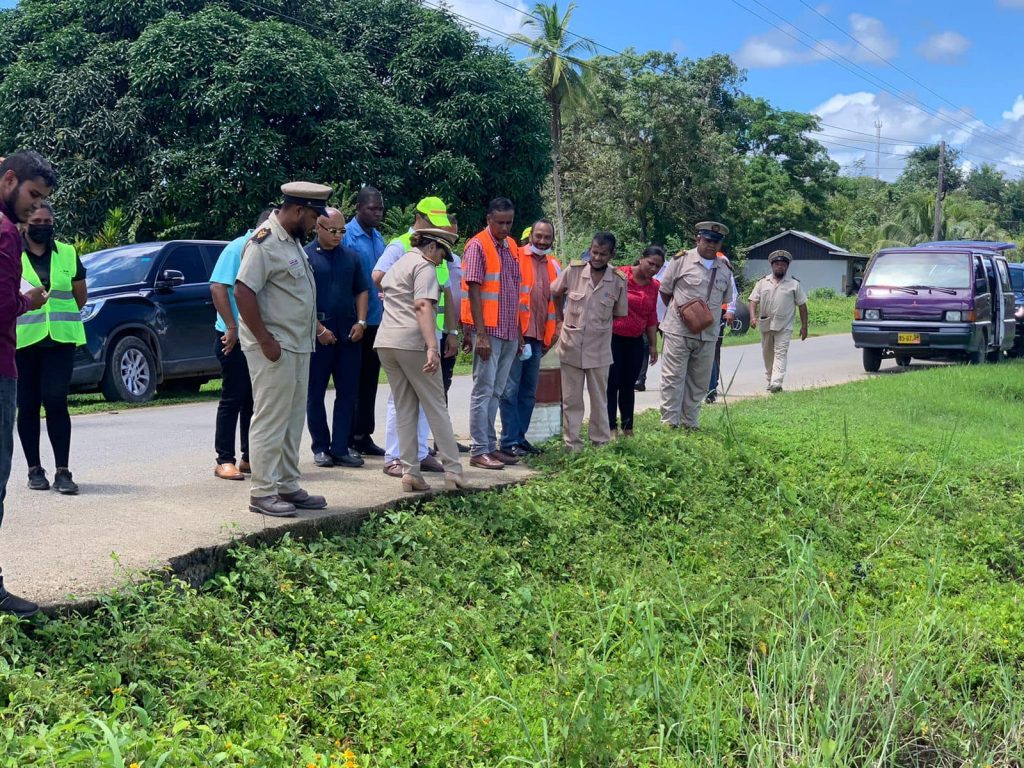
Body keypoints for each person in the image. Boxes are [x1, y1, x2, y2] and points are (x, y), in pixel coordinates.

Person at [235, 182, 332, 518]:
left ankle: (287, 484)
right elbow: (243, 291)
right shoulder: (264, 241)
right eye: (314, 217)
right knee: (271, 418)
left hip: (297, 345)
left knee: (292, 420)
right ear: (298, 210)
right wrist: (265, 341)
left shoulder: (291, 241)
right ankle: (263, 492)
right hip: (274, 346)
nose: (315, 225)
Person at [0, 151, 57, 617]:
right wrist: (28, 302)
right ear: (10, 180)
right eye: (32, 195)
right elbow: (2, 306)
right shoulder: (5, 234)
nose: (34, 208)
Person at [374, 227, 467, 492]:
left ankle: (410, 473)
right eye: (442, 254)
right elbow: (423, 306)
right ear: (431, 247)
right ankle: (454, 470)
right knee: (436, 405)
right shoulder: (424, 266)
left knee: (405, 407)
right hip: (412, 342)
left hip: (386, 342)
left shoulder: (400, 263)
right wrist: (432, 347)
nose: (441, 261)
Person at [16, 202, 86, 495]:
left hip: (60, 339)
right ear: (25, 224)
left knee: (56, 400)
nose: (42, 226)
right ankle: (34, 469)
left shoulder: (67, 253)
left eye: (47, 221)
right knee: (28, 404)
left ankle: (63, 471)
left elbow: (79, 295)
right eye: (37, 221)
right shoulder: (10, 253)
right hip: (22, 341)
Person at [550, 232, 628, 452]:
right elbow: (555, 291)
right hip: (571, 345)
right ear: (590, 249)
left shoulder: (618, 280)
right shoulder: (574, 271)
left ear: (612, 254)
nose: (597, 257)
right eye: (594, 252)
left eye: (603, 254)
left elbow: (619, 313)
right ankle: (572, 445)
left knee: (599, 399)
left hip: (599, 349)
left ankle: (600, 443)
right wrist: (559, 319)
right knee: (571, 400)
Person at [209, 208, 271, 481]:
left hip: (255, 336)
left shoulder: (265, 250)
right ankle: (224, 460)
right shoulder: (238, 247)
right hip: (232, 337)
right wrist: (231, 326)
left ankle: (249, 456)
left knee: (252, 399)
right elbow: (217, 287)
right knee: (233, 398)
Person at [461, 197, 523, 469]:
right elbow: (473, 290)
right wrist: (480, 334)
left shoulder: (511, 246)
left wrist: (519, 333)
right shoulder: (477, 245)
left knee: (497, 391)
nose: (505, 228)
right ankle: (479, 449)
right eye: (500, 222)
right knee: (483, 390)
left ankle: (489, 445)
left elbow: (514, 291)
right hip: (488, 331)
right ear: (489, 219)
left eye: (509, 222)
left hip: (508, 330)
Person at [306, 208, 369, 468]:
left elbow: (362, 290)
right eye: (332, 230)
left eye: (341, 231)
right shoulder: (305, 257)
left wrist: (361, 322)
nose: (337, 236)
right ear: (317, 227)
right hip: (317, 333)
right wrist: (318, 329)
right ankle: (321, 447)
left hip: (348, 333)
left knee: (347, 393)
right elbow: (300, 299)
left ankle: (341, 447)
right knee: (315, 393)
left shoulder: (351, 257)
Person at [658, 221, 734, 430]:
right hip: (678, 330)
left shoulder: (725, 268)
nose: (711, 245)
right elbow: (665, 291)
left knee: (699, 381)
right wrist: (683, 314)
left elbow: (725, 299)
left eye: (716, 242)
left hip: (708, 333)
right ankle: (669, 422)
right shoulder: (681, 261)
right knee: (673, 378)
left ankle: (689, 422)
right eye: (707, 240)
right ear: (698, 239)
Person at [498, 218, 561, 457]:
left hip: (538, 339)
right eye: (539, 236)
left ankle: (519, 438)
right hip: (517, 335)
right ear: (530, 236)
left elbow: (557, 302)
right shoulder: (516, 257)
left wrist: (552, 336)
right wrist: (516, 334)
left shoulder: (554, 264)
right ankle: (508, 441)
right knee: (510, 391)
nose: (542, 241)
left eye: (547, 237)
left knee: (528, 393)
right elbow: (509, 298)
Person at [342, 187, 387, 457]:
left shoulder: (379, 238)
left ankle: (363, 435)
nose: (377, 213)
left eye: (380, 208)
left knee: (370, 381)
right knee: (351, 381)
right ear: (358, 208)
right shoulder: (347, 235)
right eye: (372, 208)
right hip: (354, 321)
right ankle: (347, 437)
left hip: (376, 320)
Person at [607, 245, 663, 436]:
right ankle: (610, 427)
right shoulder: (620, 274)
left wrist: (653, 345)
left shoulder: (654, 286)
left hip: (636, 340)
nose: (653, 269)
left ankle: (628, 428)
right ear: (641, 259)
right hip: (612, 338)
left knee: (628, 384)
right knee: (611, 383)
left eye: (658, 266)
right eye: (650, 263)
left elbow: (651, 316)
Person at [748, 249, 808, 393]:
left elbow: (802, 305)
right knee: (767, 354)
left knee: (780, 353)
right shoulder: (762, 282)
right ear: (772, 265)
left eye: (783, 264)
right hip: (766, 324)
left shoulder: (794, 284)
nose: (780, 267)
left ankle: (776, 382)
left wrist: (804, 326)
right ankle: (770, 379)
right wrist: (752, 317)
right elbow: (753, 300)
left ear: (787, 266)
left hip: (784, 326)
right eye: (777, 264)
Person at [705, 252, 739, 404]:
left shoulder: (722, 260)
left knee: (712, 350)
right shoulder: (691, 262)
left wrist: (730, 310)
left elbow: (732, 290)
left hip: (718, 313)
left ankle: (711, 388)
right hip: (695, 314)